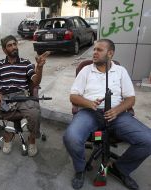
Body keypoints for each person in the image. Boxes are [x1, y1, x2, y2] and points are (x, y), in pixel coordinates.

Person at [63, 39, 151, 189]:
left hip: (117, 114)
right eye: (94, 49)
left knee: (148, 140)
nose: (94, 53)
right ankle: (80, 169)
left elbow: (130, 98)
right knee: (71, 137)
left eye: (99, 50)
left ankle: (120, 169)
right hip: (90, 113)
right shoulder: (86, 70)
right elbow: (73, 96)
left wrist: (117, 110)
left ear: (110, 53)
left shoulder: (120, 71)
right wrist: (89, 103)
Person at [0, 35, 49, 157]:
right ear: (4, 50)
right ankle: (7, 136)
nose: (13, 47)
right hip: (4, 98)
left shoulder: (26, 63)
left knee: (35, 114)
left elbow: (36, 82)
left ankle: (32, 139)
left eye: (15, 44)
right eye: (10, 45)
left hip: (22, 97)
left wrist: (40, 67)